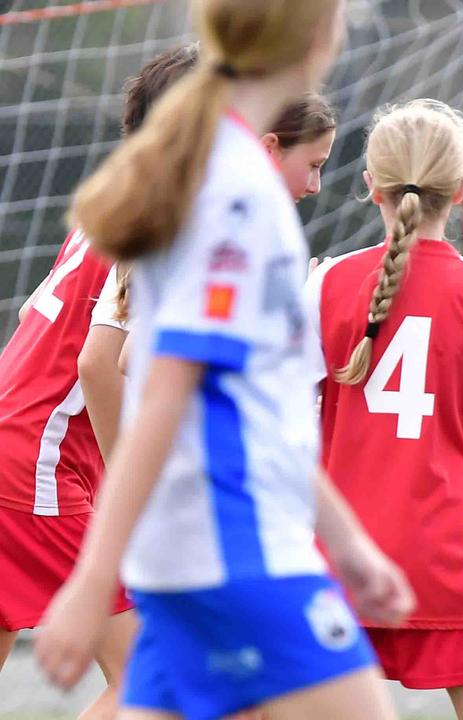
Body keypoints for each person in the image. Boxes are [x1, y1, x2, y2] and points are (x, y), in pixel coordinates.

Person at [34, 2, 415, 719]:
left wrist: (349, 544)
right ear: (314, 33)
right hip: (233, 552)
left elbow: (247, 402)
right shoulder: (237, 191)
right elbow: (167, 395)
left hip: (201, 549)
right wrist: (93, 579)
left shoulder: (214, 169)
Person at [306, 99, 463, 720]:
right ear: (461, 191)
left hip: (342, 559)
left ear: (368, 184)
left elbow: (285, 420)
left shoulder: (326, 284)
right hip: (447, 558)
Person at [0, 42, 200, 720]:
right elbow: (94, 362)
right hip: (40, 463)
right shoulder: (160, 217)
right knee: (158, 675)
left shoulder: (115, 200)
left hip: (17, 439)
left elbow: (35, 312)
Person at [80, 90, 339, 459]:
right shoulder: (229, 231)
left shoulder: (208, 213)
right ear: (269, 147)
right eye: (313, 165)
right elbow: (135, 355)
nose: (316, 186)